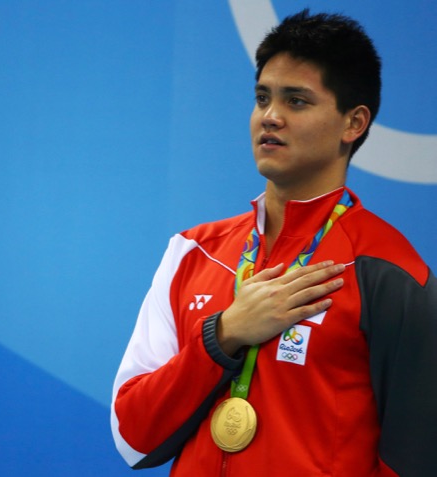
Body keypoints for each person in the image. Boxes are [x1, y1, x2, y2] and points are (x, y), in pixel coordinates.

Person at [111, 9, 436, 477]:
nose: (271, 116)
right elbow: (132, 437)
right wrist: (223, 335)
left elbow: (416, 456)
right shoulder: (192, 252)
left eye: (297, 101)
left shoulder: (389, 270)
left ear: (354, 123)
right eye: (262, 97)